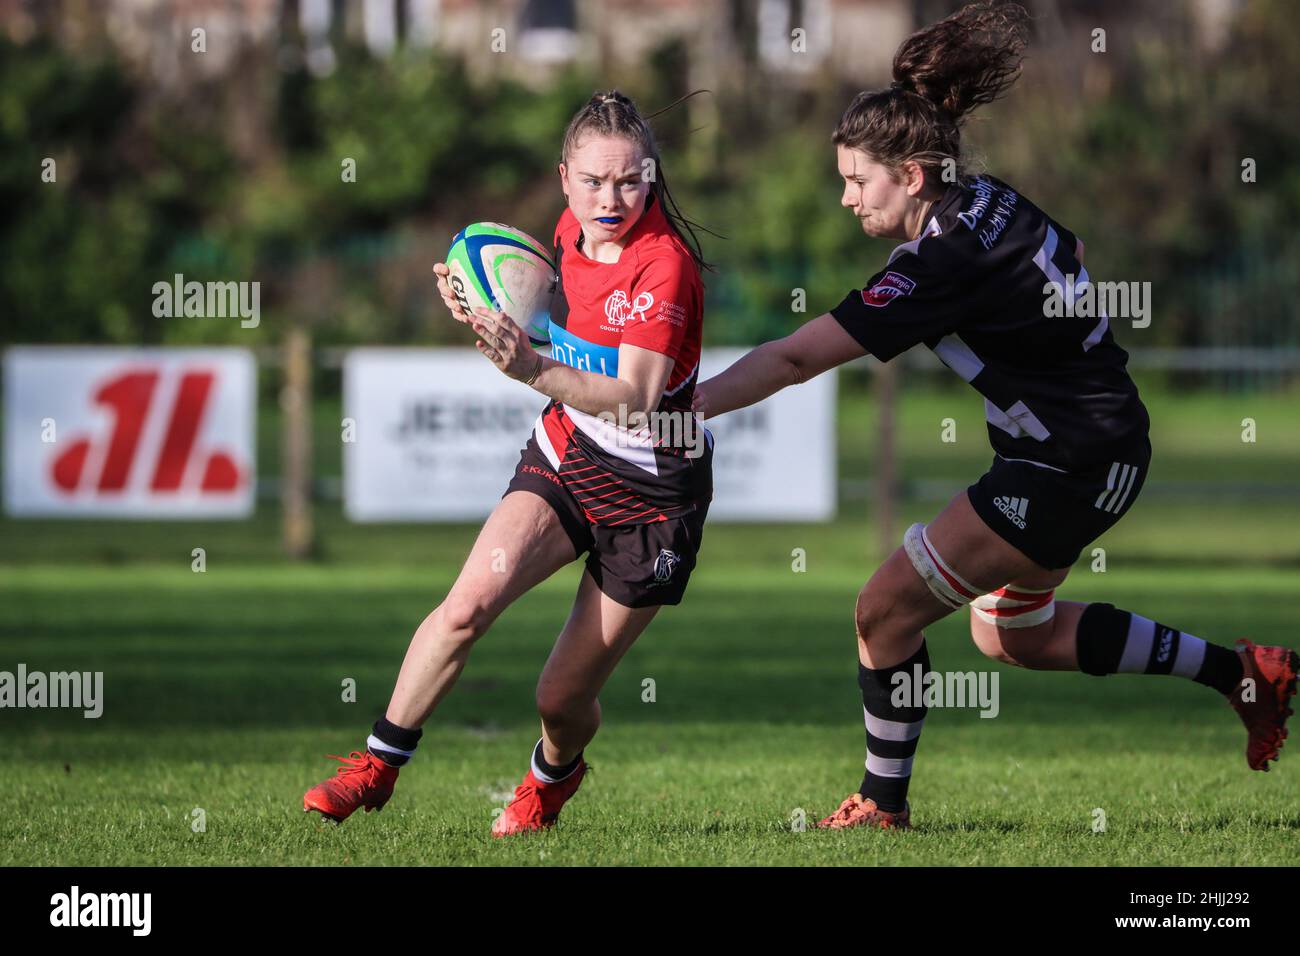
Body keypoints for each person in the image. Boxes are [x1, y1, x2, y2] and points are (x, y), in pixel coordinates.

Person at [693, 1, 1297, 831]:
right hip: (1101, 443)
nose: (845, 200)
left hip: (1066, 463)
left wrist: (685, 404)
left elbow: (797, 358)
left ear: (909, 175)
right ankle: (1243, 673)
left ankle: (881, 803)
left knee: (883, 610)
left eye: (855, 180)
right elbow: (1074, 253)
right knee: (1011, 636)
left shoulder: (939, 261)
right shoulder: (987, 198)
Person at [303, 90, 713, 836]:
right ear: (565, 179)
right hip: (571, 452)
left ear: (651, 178)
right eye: (593, 182)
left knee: (559, 697)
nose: (610, 199)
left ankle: (551, 777)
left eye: (628, 181)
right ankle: (376, 765)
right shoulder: (566, 234)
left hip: (655, 494)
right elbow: (549, 328)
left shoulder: (665, 267)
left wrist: (527, 368)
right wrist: (482, 302)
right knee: (465, 608)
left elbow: (637, 399)